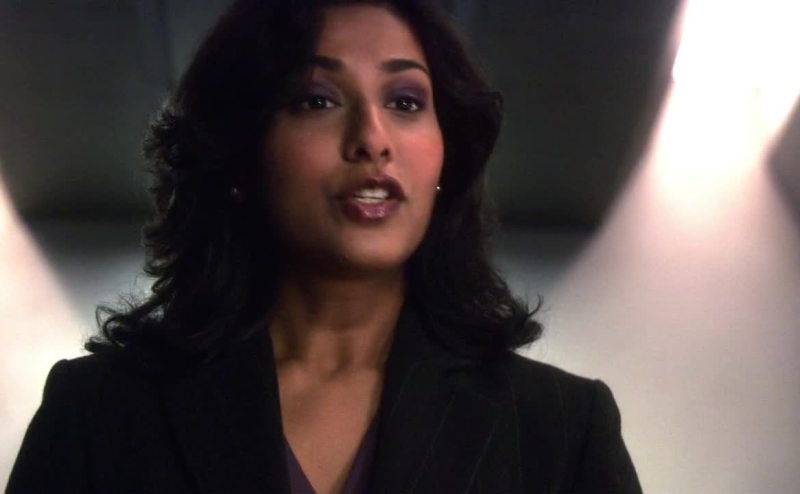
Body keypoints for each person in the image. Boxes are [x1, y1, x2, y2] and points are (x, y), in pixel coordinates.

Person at [7, 1, 641, 493]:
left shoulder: (561, 428)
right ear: (240, 155)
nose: (373, 138)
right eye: (318, 100)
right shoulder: (100, 413)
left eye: (406, 101)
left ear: (445, 158)